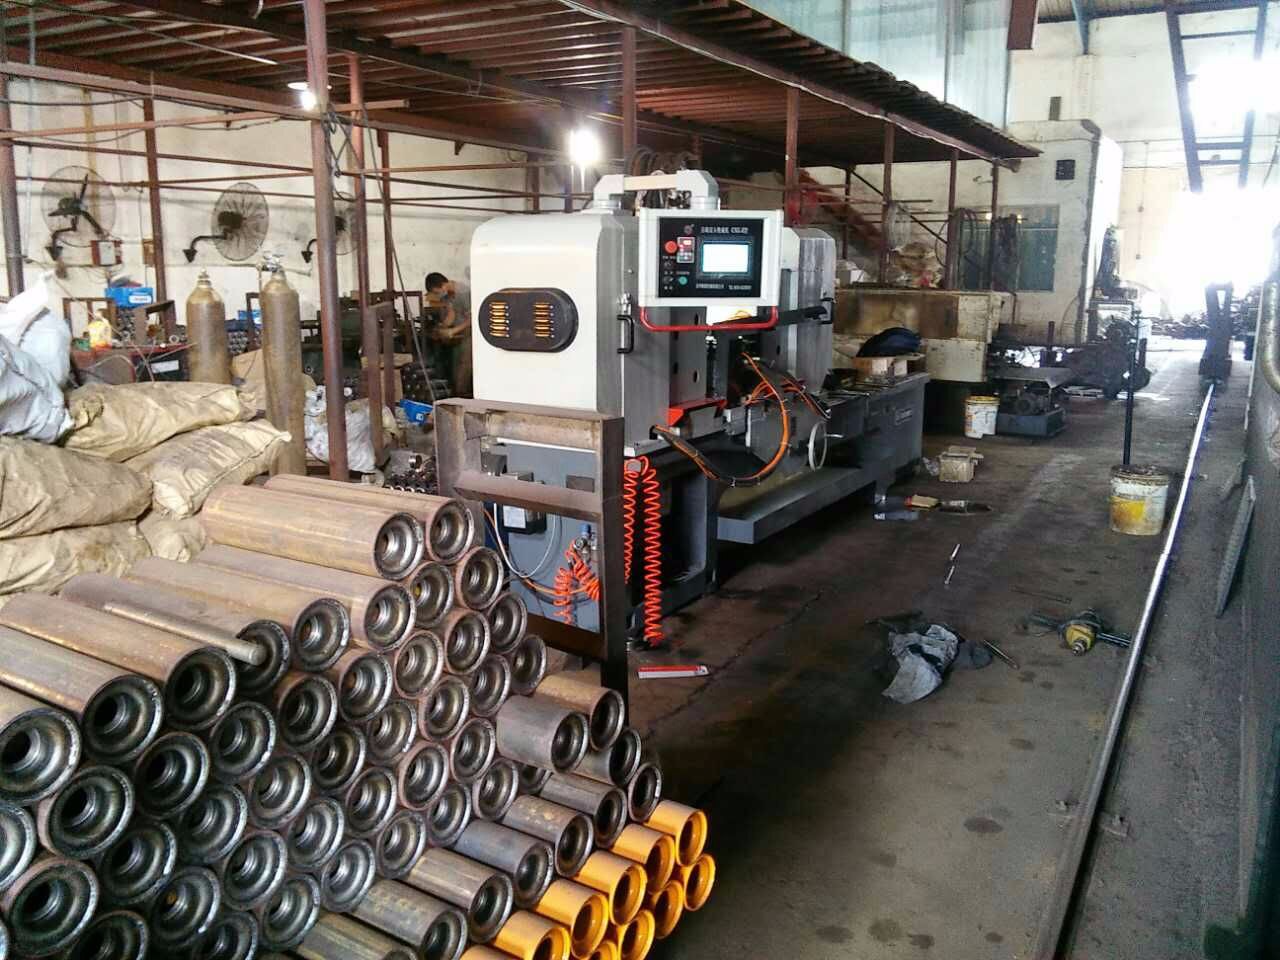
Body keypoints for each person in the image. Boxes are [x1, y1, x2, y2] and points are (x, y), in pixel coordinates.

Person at [423, 271, 471, 396]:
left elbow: (472, 318)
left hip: (470, 335)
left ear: (443, 285)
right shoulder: (448, 296)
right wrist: (442, 327)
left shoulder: (464, 293)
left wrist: (453, 331)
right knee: (453, 367)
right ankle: (452, 392)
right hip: (459, 335)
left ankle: (462, 396)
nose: (438, 295)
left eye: (437, 292)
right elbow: (451, 313)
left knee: (464, 366)